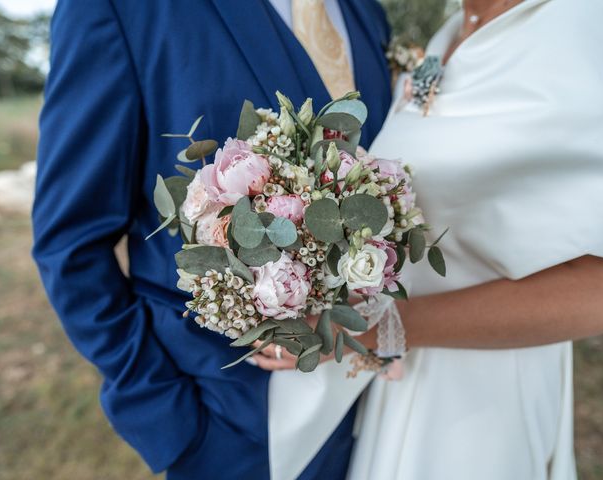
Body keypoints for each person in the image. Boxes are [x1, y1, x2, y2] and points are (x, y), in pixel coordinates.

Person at [255, 0, 603, 479]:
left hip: (481, 401)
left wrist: (377, 329)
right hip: (406, 377)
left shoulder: (588, 24)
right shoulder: (454, 31)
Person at [31, 1, 392, 478]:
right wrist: (172, 424)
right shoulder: (119, 9)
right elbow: (71, 242)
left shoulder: (364, 10)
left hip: (390, 412)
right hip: (235, 427)